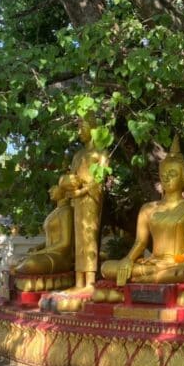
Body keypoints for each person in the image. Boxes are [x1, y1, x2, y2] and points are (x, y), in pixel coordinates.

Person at [101, 137, 184, 287]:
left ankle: (148, 279)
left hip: (178, 263)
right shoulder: (148, 208)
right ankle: (156, 276)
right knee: (106, 268)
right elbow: (140, 242)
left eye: (172, 174)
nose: (166, 178)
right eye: (164, 174)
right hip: (152, 262)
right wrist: (128, 259)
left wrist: (179, 259)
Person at [60, 114, 109, 291]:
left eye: (82, 128)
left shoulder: (101, 153)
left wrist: (82, 190)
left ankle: (90, 282)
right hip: (78, 199)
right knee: (78, 239)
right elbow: (72, 175)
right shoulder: (78, 155)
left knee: (89, 236)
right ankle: (78, 281)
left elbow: (100, 177)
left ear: (92, 128)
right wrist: (69, 185)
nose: (79, 132)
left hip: (91, 197)